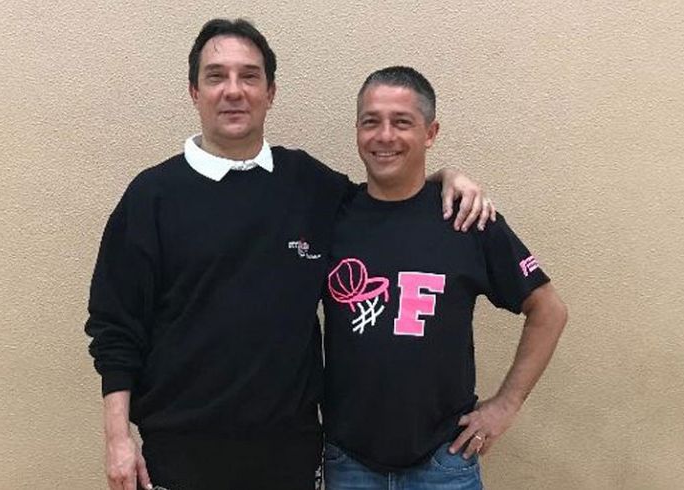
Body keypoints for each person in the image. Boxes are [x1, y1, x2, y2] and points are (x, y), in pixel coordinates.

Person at [85, 19, 493, 490]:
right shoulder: (151, 197)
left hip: (290, 455)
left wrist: (443, 177)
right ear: (195, 92)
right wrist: (118, 437)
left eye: (249, 76)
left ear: (270, 93)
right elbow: (115, 327)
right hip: (179, 454)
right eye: (216, 76)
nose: (233, 91)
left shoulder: (309, 185)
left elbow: (385, 197)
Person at [322, 66, 568, 489]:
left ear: (430, 133)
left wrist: (506, 405)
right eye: (371, 121)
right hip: (349, 461)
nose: (384, 136)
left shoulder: (466, 218)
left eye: (402, 122)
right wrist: (444, 173)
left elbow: (549, 310)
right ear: (357, 130)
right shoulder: (330, 214)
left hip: (443, 462)